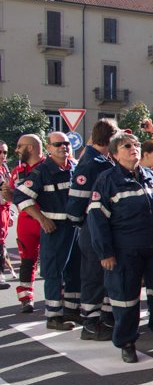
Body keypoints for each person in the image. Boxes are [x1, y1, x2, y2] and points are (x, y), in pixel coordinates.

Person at [88, 132, 153, 362]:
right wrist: (106, 253)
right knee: (126, 298)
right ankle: (127, 342)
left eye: (136, 145)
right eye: (127, 146)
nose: (134, 148)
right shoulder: (106, 180)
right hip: (125, 250)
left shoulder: (152, 176)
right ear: (113, 154)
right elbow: (97, 219)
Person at [13, 131, 81, 329]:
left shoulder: (75, 167)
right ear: (49, 147)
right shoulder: (42, 170)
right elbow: (21, 197)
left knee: (74, 270)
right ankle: (53, 316)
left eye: (67, 143)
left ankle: (71, 310)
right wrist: (41, 219)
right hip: (55, 227)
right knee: (53, 272)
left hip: (75, 226)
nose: (63, 147)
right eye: (58, 144)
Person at [68, 118, 118, 340]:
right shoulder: (91, 164)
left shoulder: (101, 160)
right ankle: (90, 323)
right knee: (93, 276)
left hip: (103, 227)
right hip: (93, 228)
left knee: (106, 276)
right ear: (110, 138)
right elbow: (76, 204)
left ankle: (105, 318)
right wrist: (84, 224)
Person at [4, 135, 44, 312]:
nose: (16, 150)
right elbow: (14, 197)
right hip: (26, 221)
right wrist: (8, 194)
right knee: (27, 260)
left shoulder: (49, 166)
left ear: (30, 148)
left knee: (54, 260)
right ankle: (26, 298)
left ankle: (60, 297)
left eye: (19, 146)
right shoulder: (17, 171)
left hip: (46, 218)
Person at [0, 141, 12, 288]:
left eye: (5, 152)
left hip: (4, 209)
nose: (3, 155)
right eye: (0, 152)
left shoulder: (4, 168)